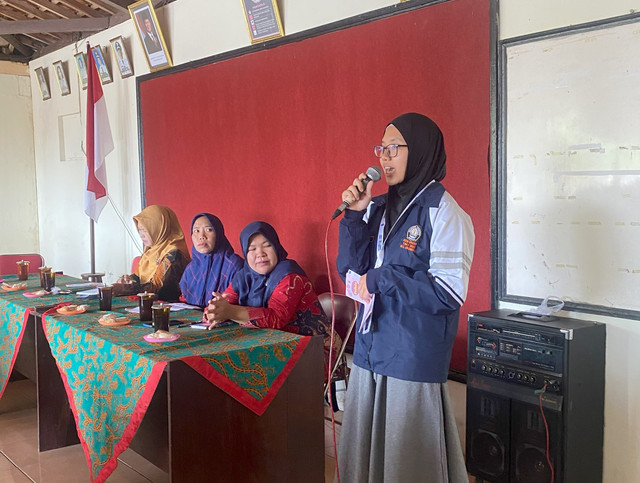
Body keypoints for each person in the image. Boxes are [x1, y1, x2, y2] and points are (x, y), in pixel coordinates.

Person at [335, 113, 475, 482]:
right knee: (361, 460)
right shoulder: (377, 208)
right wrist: (354, 216)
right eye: (381, 148)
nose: (383, 157)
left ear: (422, 150)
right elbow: (351, 274)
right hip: (369, 349)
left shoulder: (445, 212)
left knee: (405, 462)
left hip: (411, 356)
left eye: (393, 148)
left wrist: (385, 278)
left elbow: (447, 293)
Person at [205, 221, 341, 370]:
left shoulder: (290, 275)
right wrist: (214, 311)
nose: (260, 254)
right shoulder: (244, 276)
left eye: (267, 245)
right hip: (271, 344)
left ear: (276, 247)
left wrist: (230, 311)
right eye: (252, 249)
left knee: (243, 367)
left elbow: (276, 318)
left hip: (315, 349)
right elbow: (223, 302)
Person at [113, 205, 191, 301]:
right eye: (139, 230)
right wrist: (127, 280)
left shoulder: (173, 254)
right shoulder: (151, 251)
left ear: (159, 228)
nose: (141, 235)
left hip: (166, 307)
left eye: (145, 230)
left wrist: (124, 288)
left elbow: (156, 288)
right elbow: (138, 277)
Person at [179, 213, 244, 308]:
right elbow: (183, 301)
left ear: (218, 233)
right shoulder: (191, 269)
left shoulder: (233, 264)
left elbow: (239, 304)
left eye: (208, 230)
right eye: (196, 231)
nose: (201, 236)